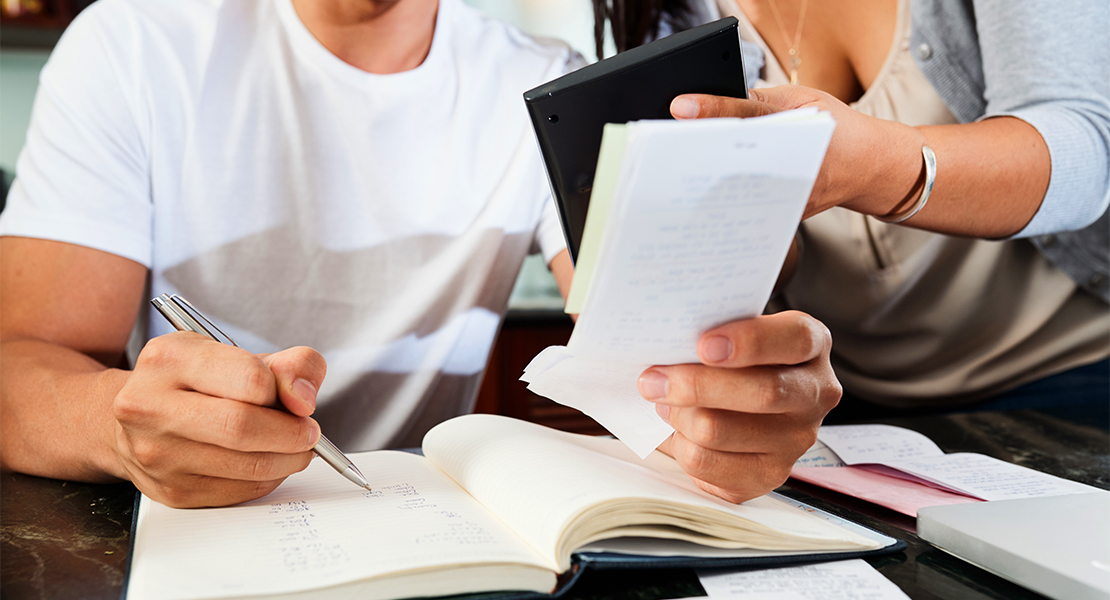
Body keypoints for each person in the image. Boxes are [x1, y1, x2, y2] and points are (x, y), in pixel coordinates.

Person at [0, 0, 840, 508]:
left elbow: (638, 325)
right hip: (194, 525)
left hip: (428, 524)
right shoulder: (132, 45)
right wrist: (121, 429)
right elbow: (20, 361)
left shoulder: (544, 84)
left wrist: (723, 404)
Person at [593, 0, 1110, 416]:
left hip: (1068, 373)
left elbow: (1085, 154)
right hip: (834, 395)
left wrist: (877, 166)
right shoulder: (668, 12)